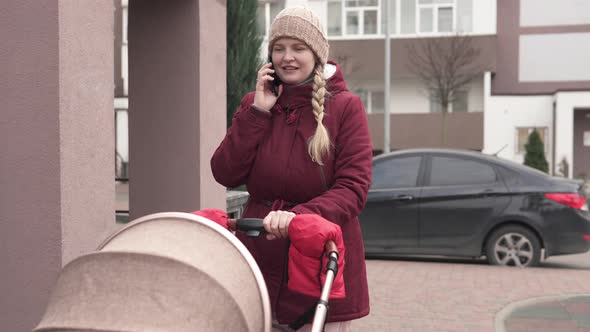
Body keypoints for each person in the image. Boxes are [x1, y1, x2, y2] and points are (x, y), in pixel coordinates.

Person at [211, 6, 372, 331]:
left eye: (298, 48)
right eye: (279, 48)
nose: (288, 57)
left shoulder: (345, 107)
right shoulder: (255, 103)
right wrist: (257, 113)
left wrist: (298, 217)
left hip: (320, 258)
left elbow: (354, 187)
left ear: (316, 53)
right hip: (259, 257)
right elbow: (225, 172)